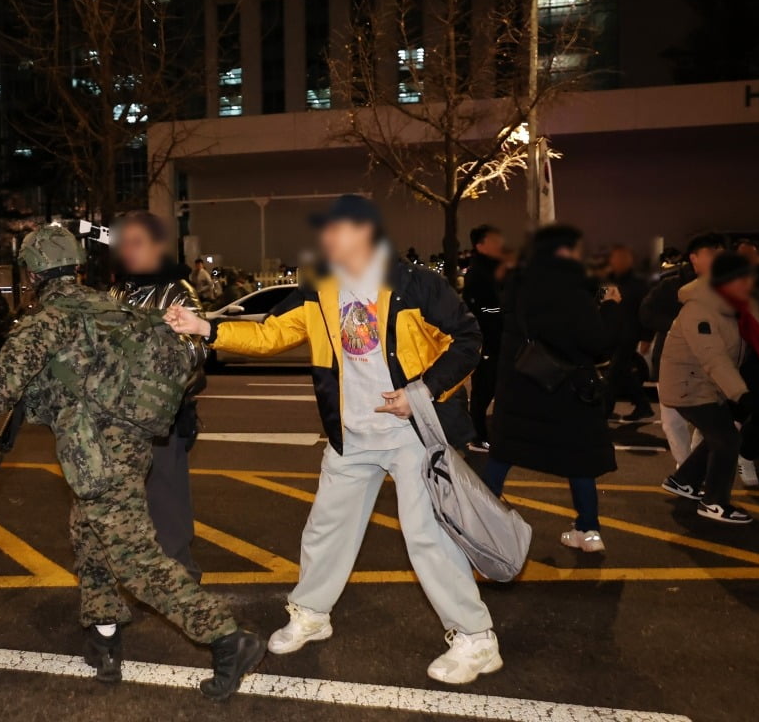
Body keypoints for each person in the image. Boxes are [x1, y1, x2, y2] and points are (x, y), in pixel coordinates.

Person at [165, 195, 499, 685]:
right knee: (327, 527)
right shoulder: (320, 289)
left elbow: (468, 340)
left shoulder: (414, 284)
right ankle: (311, 614)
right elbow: (271, 334)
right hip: (352, 434)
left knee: (427, 534)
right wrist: (205, 328)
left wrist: (422, 392)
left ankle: (476, 639)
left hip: (412, 432)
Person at [0, 224, 263, 699]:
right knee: (88, 533)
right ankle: (103, 635)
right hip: (133, 444)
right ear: (77, 266)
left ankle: (225, 638)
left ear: (33, 272)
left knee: (134, 558)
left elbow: (4, 381)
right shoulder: (112, 307)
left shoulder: (48, 320)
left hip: (95, 453)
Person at [483, 225, 622, 553]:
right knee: (579, 459)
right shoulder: (572, 291)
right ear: (564, 251)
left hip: (522, 388)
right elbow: (598, 343)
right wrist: (612, 307)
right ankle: (588, 531)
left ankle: (481, 522)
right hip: (565, 392)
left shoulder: (519, 285)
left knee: (504, 454)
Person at [659, 252, 759, 524]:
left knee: (721, 436)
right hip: (689, 386)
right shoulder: (699, 309)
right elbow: (712, 356)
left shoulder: (735, 305)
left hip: (704, 384)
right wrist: (741, 394)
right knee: (727, 439)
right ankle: (714, 503)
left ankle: (684, 480)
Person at [109, 211, 206, 582]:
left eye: (138, 242)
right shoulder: (121, 289)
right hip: (119, 417)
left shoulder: (177, 292)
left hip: (161, 416)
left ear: (158, 246)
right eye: (125, 243)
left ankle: (181, 579)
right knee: (124, 501)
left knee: (167, 502)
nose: (129, 251)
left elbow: (195, 351)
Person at [639, 232, 725, 467]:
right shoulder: (671, 283)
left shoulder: (726, 284)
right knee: (672, 420)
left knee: (708, 420)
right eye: (710, 254)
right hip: (672, 360)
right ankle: (684, 466)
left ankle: (692, 469)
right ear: (694, 257)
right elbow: (646, 313)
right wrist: (677, 326)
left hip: (710, 361)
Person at [462, 224, 507, 452]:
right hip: (488, 340)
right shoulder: (477, 272)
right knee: (484, 389)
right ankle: (477, 435)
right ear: (480, 245)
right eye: (494, 240)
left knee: (500, 386)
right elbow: (478, 309)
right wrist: (501, 311)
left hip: (500, 338)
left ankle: (495, 432)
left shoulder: (496, 268)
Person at [605, 245, 654, 421]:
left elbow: (647, 311)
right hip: (612, 335)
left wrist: (647, 337)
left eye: (621, 258)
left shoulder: (638, 284)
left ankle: (604, 409)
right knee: (623, 372)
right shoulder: (608, 281)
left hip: (629, 335)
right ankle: (643, 405)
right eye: (614, 258)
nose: (617, 262)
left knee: (613, 373)